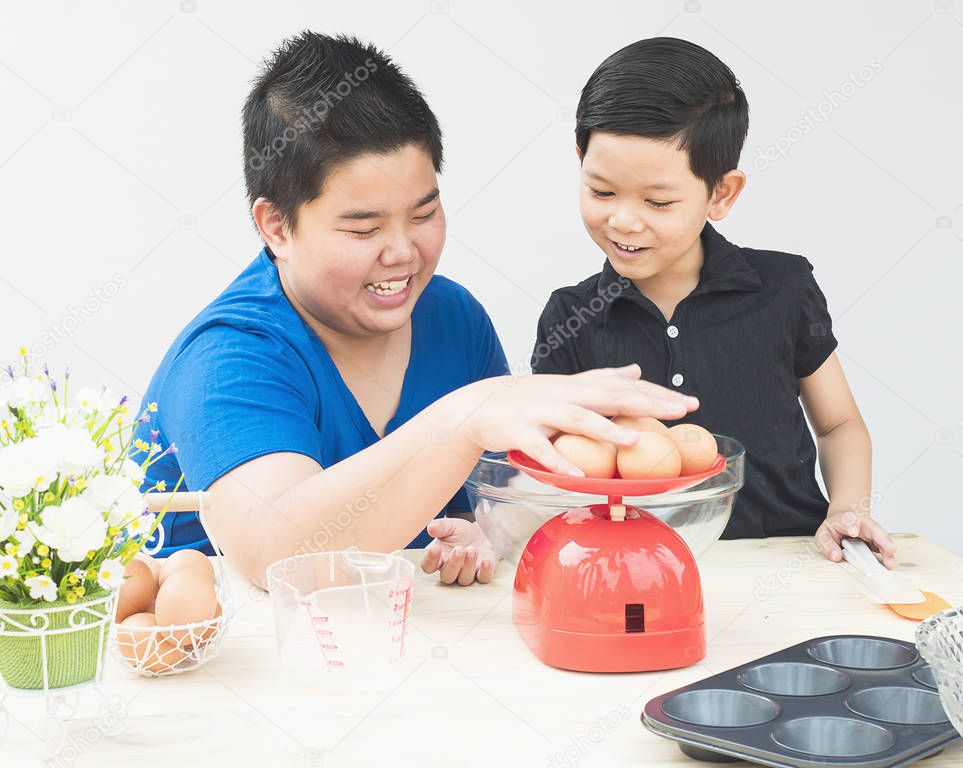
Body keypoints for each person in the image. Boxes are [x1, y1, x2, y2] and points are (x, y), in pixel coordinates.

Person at [139, 32, 699, 587]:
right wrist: (463, 417)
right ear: (277, 226)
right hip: (227, 661)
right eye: (364, 227)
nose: (403, 252)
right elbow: (278, 561)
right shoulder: (228, 356)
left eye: (424, 213)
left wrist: (489, 529)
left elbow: (492, 497)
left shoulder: (452, 318)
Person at [533, 38, 896, 567]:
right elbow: (549, 462)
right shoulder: (570, 316)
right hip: (631, 571)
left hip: (789, 561)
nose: (624, 221)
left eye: (658, 201)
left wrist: (847, 510)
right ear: (580, 164)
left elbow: (839, 424)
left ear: (722, 193)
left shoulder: (782, 287)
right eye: (602, 192)